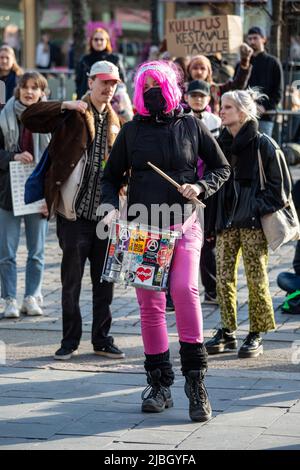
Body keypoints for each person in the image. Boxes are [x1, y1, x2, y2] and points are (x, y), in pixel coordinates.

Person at [99, 60, 230, 422]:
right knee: (151, 305)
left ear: (172, 87)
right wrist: (110, 208)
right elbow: (110, 178)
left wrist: (201, 185)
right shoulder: (130, 131)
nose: (154, 91)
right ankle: (159, 383)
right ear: (141, 92)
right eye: (147, 86)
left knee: (185, 290)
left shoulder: (191, 124)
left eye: (160, 84)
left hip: (185, 222)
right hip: (144, 227)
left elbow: (221, 167)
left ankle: (195, 382)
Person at [21, 61, 125, 361]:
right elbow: (30, 117)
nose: (108, 88)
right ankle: (70, 341)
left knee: (105, 283)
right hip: (74, 215)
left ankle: (102, 339)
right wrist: (65, 104)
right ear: (90, 82)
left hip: (105, 216)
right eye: (103, 82)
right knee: (71, 283)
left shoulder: (117, 121)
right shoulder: (73, 114)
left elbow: (121, 164)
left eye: (113, 84)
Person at [205, 89, 291, 358]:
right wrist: (212, 223)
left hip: (253, 224)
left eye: (228, 107)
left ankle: (256, 333)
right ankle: (227, 331)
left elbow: (280, 189)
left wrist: (255, 208)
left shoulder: (264, 144)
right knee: (223, 279)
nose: (222, 110)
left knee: (256, 279)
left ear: (242, 112)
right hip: (226, 222)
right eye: (222, 106)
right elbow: (214, 186)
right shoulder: (219, 143)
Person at [0, 72, 50, 318]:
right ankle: (9, 299)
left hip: (38, 194)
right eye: (25, 87)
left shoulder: (50, 120)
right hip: (8, 193)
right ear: (17, 90)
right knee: (7, 253)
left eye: (35, 88)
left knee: (37, 252)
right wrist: (13, 156)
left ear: (42, 92)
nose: (29, 92)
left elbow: (57, 162)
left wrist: (51, 197)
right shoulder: (4, 116)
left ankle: (31, 297)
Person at [185, 79, 221, 304]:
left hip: (207, 188)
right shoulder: (180, 119)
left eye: (202, 95)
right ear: (186, 97)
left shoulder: (215, 121)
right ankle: (172, 295)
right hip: (184, 188)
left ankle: (211, 290)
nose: (198, 99)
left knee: (208, 243)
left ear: (209, 98)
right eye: (194, 95)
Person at [236, 26, 284, 136]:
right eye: (250, 39)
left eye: (255, 38)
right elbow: (237, 88)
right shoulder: (242, 64)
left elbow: (278, 91)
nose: (252, 41)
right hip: (244, 115)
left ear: (264, 39)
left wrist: (265, 106)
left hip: (265, 116)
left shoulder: (273, 62)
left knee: (263, 148)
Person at [187, 44, 253, 114]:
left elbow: (237, 85)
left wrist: (245, 62)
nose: (199, 72)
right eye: (195, 68)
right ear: (189, 70)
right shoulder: (181, 90)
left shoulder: (216, 89)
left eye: (203, 68)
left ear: (209, 72)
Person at [75, 28, 126, 99]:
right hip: (87, 100)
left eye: (101, 39)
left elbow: (122, 81)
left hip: (110, 100)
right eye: (96, 39)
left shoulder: (115, 59)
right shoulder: (84, 60)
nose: (98, 42)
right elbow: (78, 82)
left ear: (107, 41)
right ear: (91, 41)